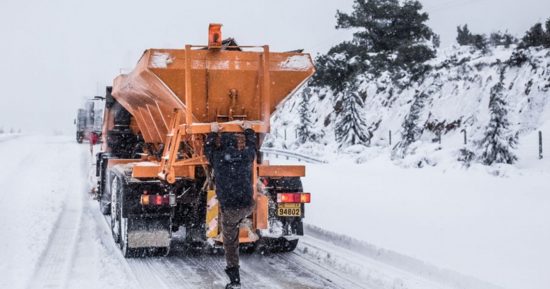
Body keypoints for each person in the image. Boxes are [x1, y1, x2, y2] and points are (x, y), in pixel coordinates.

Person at [204, 121, 256, 289]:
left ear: (222, 144)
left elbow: (208, 151)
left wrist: (212, 132)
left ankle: (234, 278)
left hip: (231, 210)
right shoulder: (245, 156)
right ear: (236, 144)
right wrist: (248, 129)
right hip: (248, 205)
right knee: (239, 218)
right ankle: (246, 222)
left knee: (230, 243)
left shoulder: (218, 159)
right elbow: (253, 148)